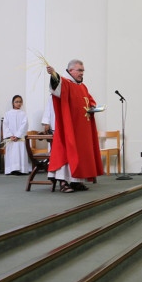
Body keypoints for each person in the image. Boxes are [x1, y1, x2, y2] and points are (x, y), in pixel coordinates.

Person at [46, 59, 104, 193]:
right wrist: (54, 75)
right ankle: (63, 182)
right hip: (69, 126)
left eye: (82, 71)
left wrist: (93, 106)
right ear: (70, 70)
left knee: (80, 153)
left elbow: (89, 100)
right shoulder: (65, 83)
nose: (82, 73)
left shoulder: (82, 87)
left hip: (82, 127)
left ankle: (76, 181)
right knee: (67, 150)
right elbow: (56, 87)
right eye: (79, 70)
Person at [3, 95, 31, 175]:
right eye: (16, 102)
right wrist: (10, 135)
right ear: (13, 103)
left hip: (19, 138)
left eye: (20, 102)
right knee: (12, 153)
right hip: (11, 139)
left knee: (20, 152)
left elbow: (24, 125)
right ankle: (11, 169)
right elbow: (5, 125)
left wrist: (18, 135)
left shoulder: (23, 114)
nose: (18, 103)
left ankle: (21, 169)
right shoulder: (7, 114)